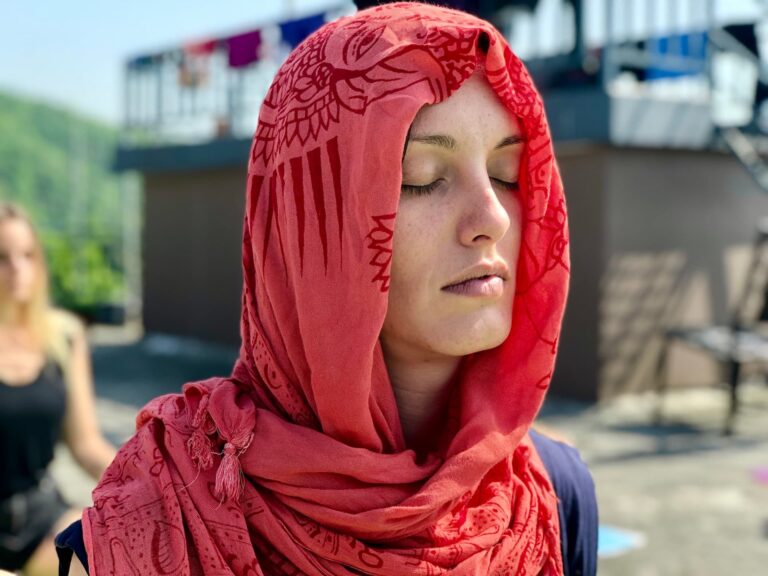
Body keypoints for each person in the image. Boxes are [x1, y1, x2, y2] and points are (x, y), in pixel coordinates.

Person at [57, 3, 597, 574]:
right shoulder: (161, 512)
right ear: (311, 223)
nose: (493, 217)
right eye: (420, 177)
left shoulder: (553, 500)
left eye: (507, 174)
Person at [0, 202, 116, 575]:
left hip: (38, 517)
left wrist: (149, 483)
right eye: (2, 257)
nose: (18, 269)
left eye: (28, 255)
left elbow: (86, 445)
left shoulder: (63, 336)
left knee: (113, 558)